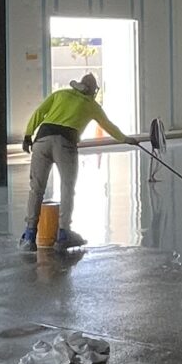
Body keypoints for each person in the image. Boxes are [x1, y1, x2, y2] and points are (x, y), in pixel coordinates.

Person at [20, 70, 132, 251]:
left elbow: (39, 112)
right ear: (93, 90)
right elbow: (108, 126)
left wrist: (27, 135)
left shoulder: (60, 94)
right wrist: (125, 139)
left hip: (41, 141)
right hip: (65, 144)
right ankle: (63, 234)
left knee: (36, 188)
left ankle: (29, 236)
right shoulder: (91, 104)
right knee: (67, 187)